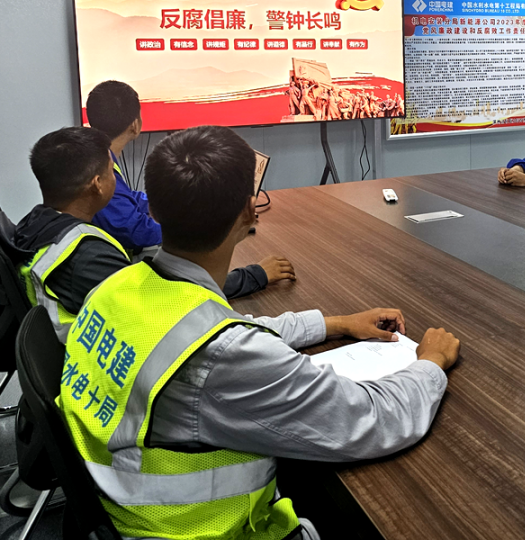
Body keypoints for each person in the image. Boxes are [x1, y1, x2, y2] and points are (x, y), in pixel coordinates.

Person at [58, 125, 460, 539]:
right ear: (250, 213)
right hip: (200, 530)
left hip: (118, 507)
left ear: (154, 211)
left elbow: (220, 333)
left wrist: (336, 323)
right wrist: (430, 363)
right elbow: (370, 419)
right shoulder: (223, 355)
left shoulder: (115, 287)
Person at [85, 80, 295, 296]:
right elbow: (137, 232)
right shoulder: (101, 173)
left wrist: (172, 203)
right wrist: (197, 225)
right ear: (135, 125)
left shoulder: (96, 160)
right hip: (130, 277)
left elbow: (130, 200)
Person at [11, 127, 130, 341]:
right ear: (97, 184)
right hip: (79, 355)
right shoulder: (92, 258)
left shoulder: (33, 222)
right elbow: (143, 318)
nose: (114, 177)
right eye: (111, 171)